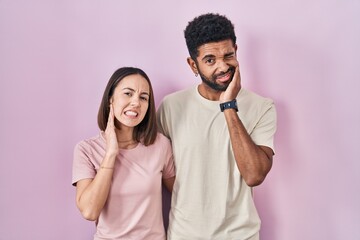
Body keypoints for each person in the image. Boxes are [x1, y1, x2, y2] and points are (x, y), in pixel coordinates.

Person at [157, 13, 277, 240]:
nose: (223, 67)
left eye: (228, 55)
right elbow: (161, 168)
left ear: (236, 51)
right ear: (193, 64)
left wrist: (229, 106)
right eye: (210, 60)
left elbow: (254, 175)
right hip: (185, 235)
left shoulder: (262, 107)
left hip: (241, 235)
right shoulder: (171, 107)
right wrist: (192, 200)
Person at [72, 67, 175, 240]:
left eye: (143, 97)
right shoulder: (86, 149)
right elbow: (90, 211)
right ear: (110, 99)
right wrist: (111, 153)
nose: (136, 102)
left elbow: (182, 194)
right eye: (128, 93)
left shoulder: (160, 145)